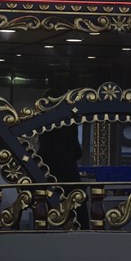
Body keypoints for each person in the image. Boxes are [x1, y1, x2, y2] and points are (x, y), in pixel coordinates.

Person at [37, 89, 90, 230]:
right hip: (70, 177)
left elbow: (44, 152)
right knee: (79, 213)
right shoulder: (68, 123)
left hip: (51, 178)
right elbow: (77, 152)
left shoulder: (43, 124)